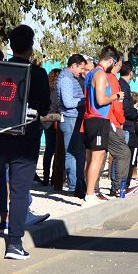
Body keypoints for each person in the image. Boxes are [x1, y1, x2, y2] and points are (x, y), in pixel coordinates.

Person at [0, 25, 50, 260]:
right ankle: (14, 244)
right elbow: (45, 107)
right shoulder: (38, 74)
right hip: (26, 140)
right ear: (31, 46)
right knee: (19, 191)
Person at [80, 47, 129, 203]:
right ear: (110, 61)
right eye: (113, 63)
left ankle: (89, 191)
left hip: (89, 119)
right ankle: (90, 194)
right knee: (97, 157)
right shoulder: (100, 75)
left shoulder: (90, 74)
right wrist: (116, 96)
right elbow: (101, 100)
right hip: (98, 118)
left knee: (90, 158)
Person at [56, 54, 87, 194]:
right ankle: (74, 185)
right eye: (81, 68)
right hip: (70, 119)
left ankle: (74, 184)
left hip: (71, 118)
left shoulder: (68, 78)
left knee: (72, 152)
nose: (81, 71)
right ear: (73, 65)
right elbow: (68, 103)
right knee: (71, 153)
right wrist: (85, 102)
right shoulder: (67, 79)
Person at [116, 61, 138, 196]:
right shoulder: (123, 86)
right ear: (130, 73)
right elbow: (125, 107)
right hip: (126, 125)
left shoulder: (120, 84)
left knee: (119, 157)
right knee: (125, 157)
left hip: (122, 123)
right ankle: (123, 186)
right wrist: (135, 114)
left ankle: (119, 186)